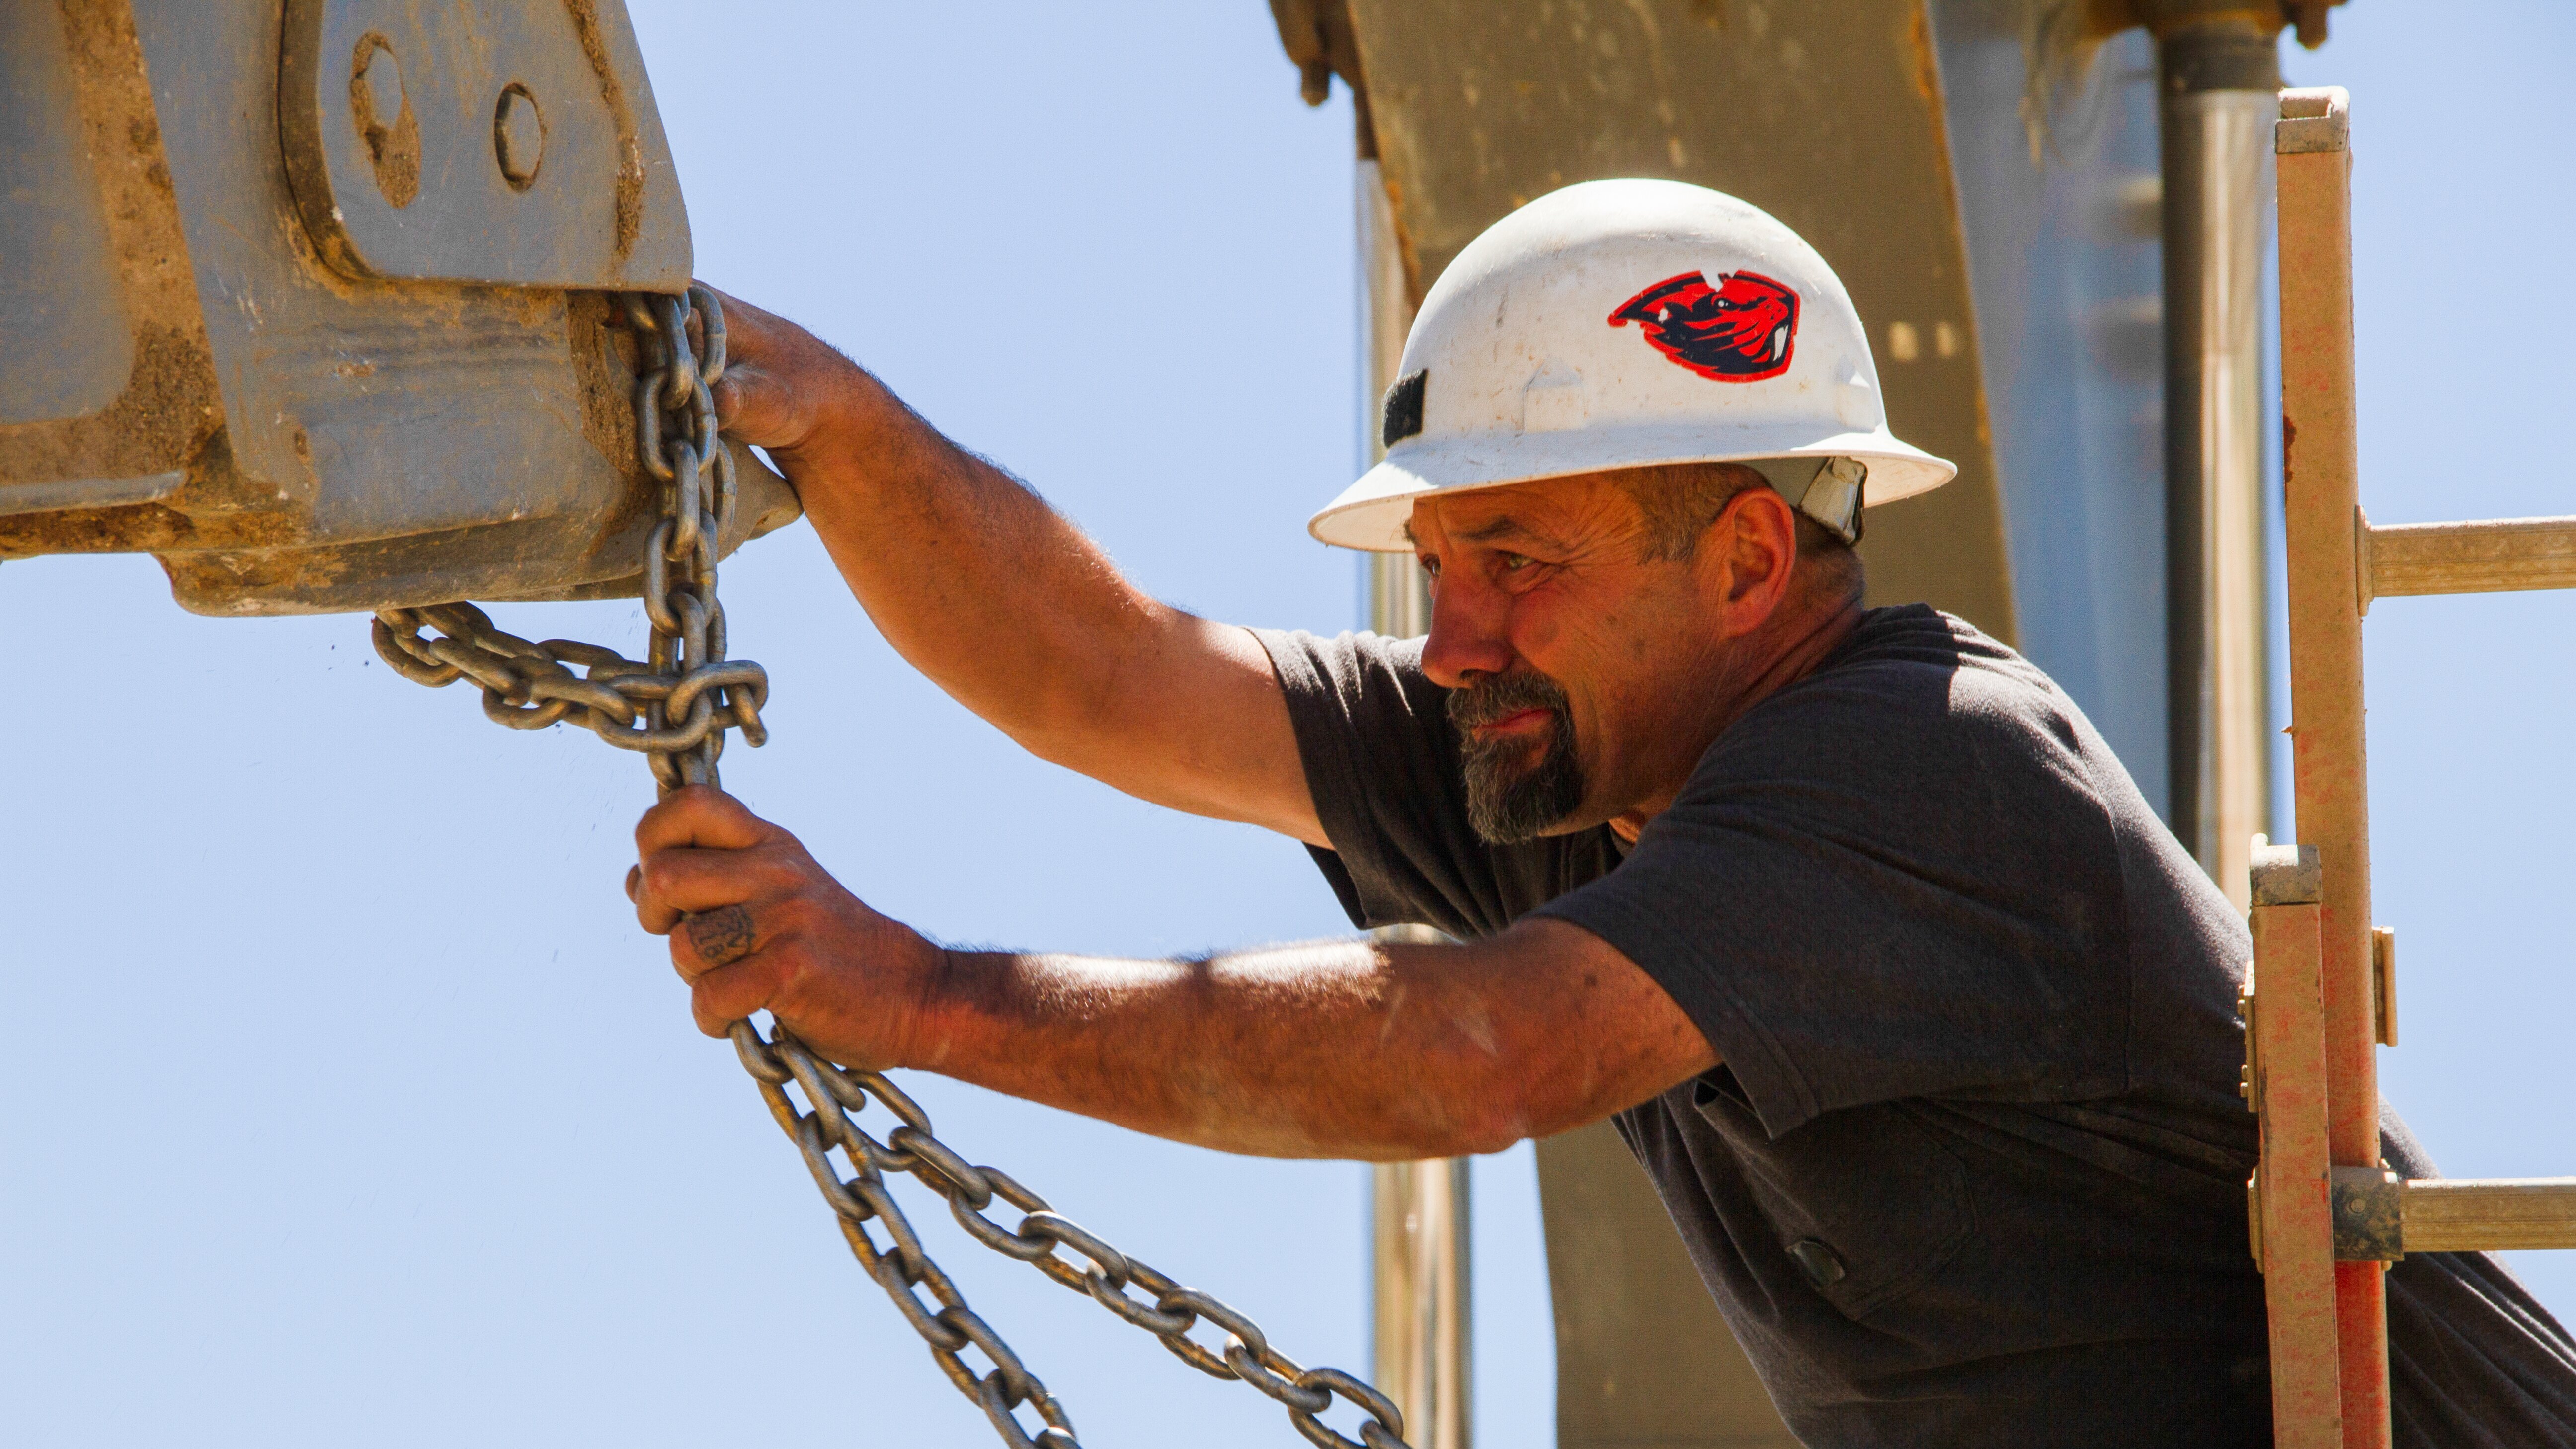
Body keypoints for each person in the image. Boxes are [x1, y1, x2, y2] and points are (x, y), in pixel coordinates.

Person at [625, 180, 2576, 1446]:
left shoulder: (1929, 759)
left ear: (1748, 562)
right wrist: (834, 419)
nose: (1449, 636)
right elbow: (1106, 671)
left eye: (1518, 562)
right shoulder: (1558, 760)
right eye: (1438, 565)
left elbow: (1480, 1054)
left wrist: (918, 994)